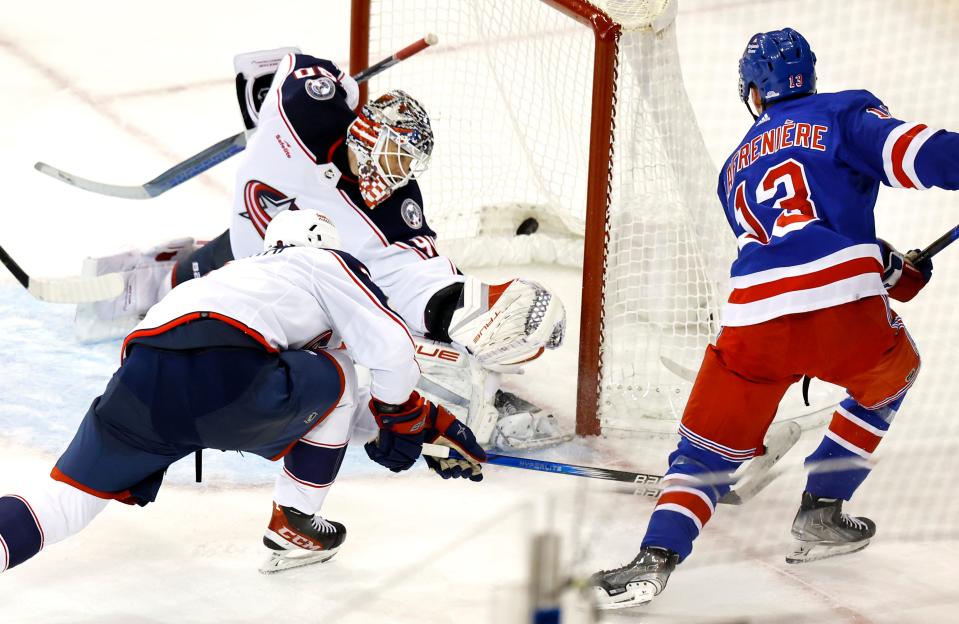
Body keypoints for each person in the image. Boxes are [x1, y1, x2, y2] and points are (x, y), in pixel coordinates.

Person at [589, 27, 958, 609]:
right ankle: (823, 509)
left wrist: (886, 263)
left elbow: (793, 244)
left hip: (754, 317)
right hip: (843, 312)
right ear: (807, 77)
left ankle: (654, 557)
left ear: (754, 94)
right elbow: (925, 155)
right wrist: (886, 270)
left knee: (704, 452)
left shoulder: (733, 167)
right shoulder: (843, 113)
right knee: (891, 374)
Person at [76, 48, 568, 451]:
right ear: (369, 136)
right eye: (398, 155)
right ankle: (132, 284)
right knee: (188, 288)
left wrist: (470, 306)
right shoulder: (308, 111)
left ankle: (465, 404)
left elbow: (418, 275)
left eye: (410, 164)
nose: (401, 174)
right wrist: (328, 86)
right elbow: (275, 64)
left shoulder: (398, 204)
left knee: (406, 347)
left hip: (280, 273)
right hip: (251, 241)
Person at [0, 209, 487, 576]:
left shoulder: (230, 277)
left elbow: (321, 410)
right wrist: (407, 414)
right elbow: (391, 350)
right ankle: (295, 523)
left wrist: (426, 429)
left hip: (142, 384)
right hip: (230, 377)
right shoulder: (324, 262)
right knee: (339, 366)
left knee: (66, 498)